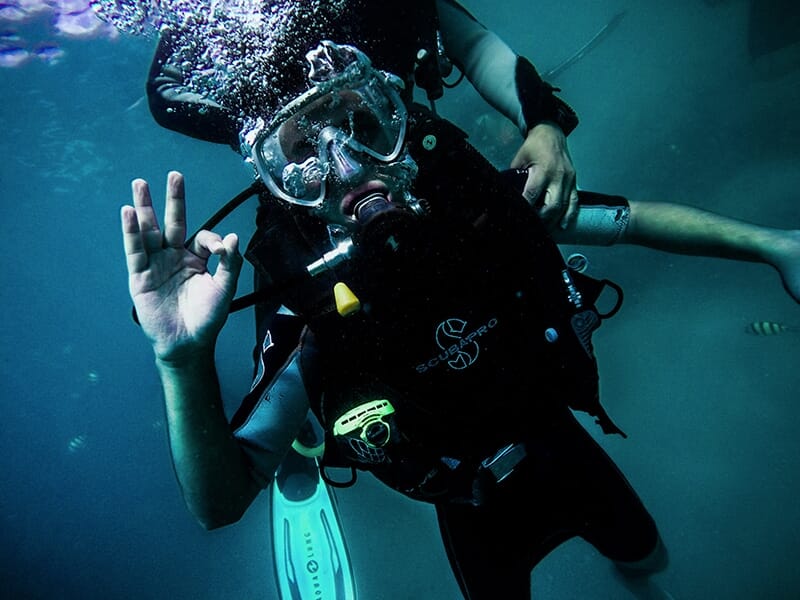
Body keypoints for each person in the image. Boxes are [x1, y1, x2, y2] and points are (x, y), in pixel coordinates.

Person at [124, 38, 800, 599]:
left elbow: (629, 219)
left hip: (561, 448)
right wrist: (179, 359)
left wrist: (777, 246)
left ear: (399, 124)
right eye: (303, 159)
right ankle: (301, 457)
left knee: (649, 563)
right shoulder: (307, 304)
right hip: (466, 500)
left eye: (364, 127)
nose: (348, 166)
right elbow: (218, 505)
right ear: (283, 188)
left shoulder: (478, 207)